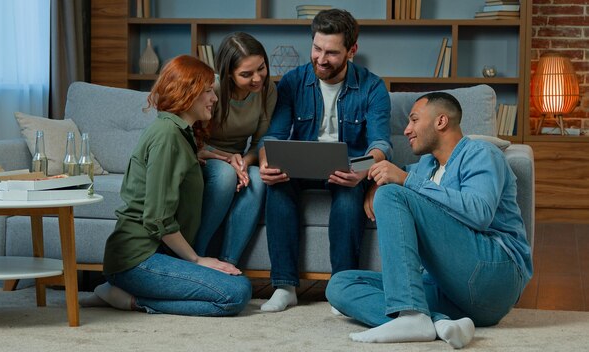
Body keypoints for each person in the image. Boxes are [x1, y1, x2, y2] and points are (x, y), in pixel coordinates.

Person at [326, 92, 533, 348]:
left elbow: (479, 213)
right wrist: (369, 181)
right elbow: (392, 171)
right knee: (339, 286)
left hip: (494, 274)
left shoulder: (480, 153)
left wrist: (403, 181)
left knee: (392, 194)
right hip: (452, 293)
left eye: (413, 120)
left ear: (441, 121)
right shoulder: (426, 166)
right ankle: (436, 323)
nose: (407, 129)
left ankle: (412, 315)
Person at [80, 55, 252, 316]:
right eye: (207, 92)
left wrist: (212, 154)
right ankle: (125, 299)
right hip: (137, 259)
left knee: (238, 286)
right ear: (187, 93)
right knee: (235, 294)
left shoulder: (178, 133)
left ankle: (123, 292)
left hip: (153, 255)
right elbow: (157, 217)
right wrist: (196, 260)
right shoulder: (167, 136)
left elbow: (178, 161)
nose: (214, 99)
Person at [257, 9, 392, 312]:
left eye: (331, 52)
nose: (320, 58)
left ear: (351, 51)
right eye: (317, 48)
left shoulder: (372, 87)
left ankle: (341, 288)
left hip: (347, 169)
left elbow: (381, 144)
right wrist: (267, 162)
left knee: (348, 199)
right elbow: (275, 135)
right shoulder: (292, 82)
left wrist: (360, 171)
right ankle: (284, 286)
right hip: (300, 168)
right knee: (276, 189)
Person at [193, 32, 277, 266]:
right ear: (228, 73)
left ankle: (228, 262)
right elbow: (193, 136)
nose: (257, 78)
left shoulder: (267, 91)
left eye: (261, 68)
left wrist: (244, 162)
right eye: (246, 74)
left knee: (259, 180)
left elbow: (262, 140)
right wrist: (230, 160)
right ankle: (196, 255)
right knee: (225, 176)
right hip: (206, 153)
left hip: (239, 157)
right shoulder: (213, 89)